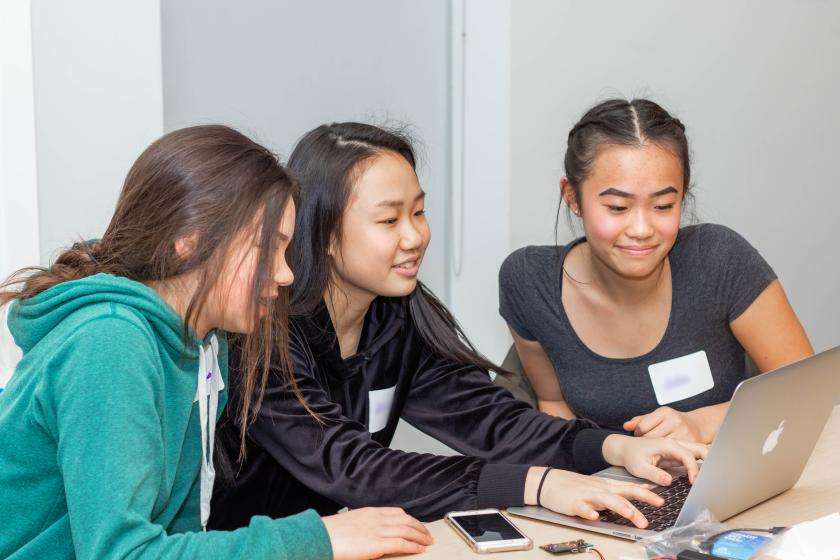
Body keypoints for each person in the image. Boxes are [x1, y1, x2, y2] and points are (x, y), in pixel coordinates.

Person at [210, 122, 707, 532]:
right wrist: (534, 485)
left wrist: (611, 445)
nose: (415, 236)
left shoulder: (394, 315)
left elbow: (490, 419)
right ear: (324, 233)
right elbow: (352, 468)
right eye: (389, 221)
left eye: (420, 212)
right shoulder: (262, 334)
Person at [0, 125, 431, 560]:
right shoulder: (110, 343)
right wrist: (318, 538)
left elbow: (182, 530)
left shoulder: (203, 343)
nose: (286, 275)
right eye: (268, 249)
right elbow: (124, 554)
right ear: (190, 243)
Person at [499, 98, 813, 443]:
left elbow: (807, 393)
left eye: (664, 206)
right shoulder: (530, 283)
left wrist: (702, 425)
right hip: (608, 485)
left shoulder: (719, 260)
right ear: (573, 197)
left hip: (722, 477)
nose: (641, 228)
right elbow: (553, 403)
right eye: (617, 207)